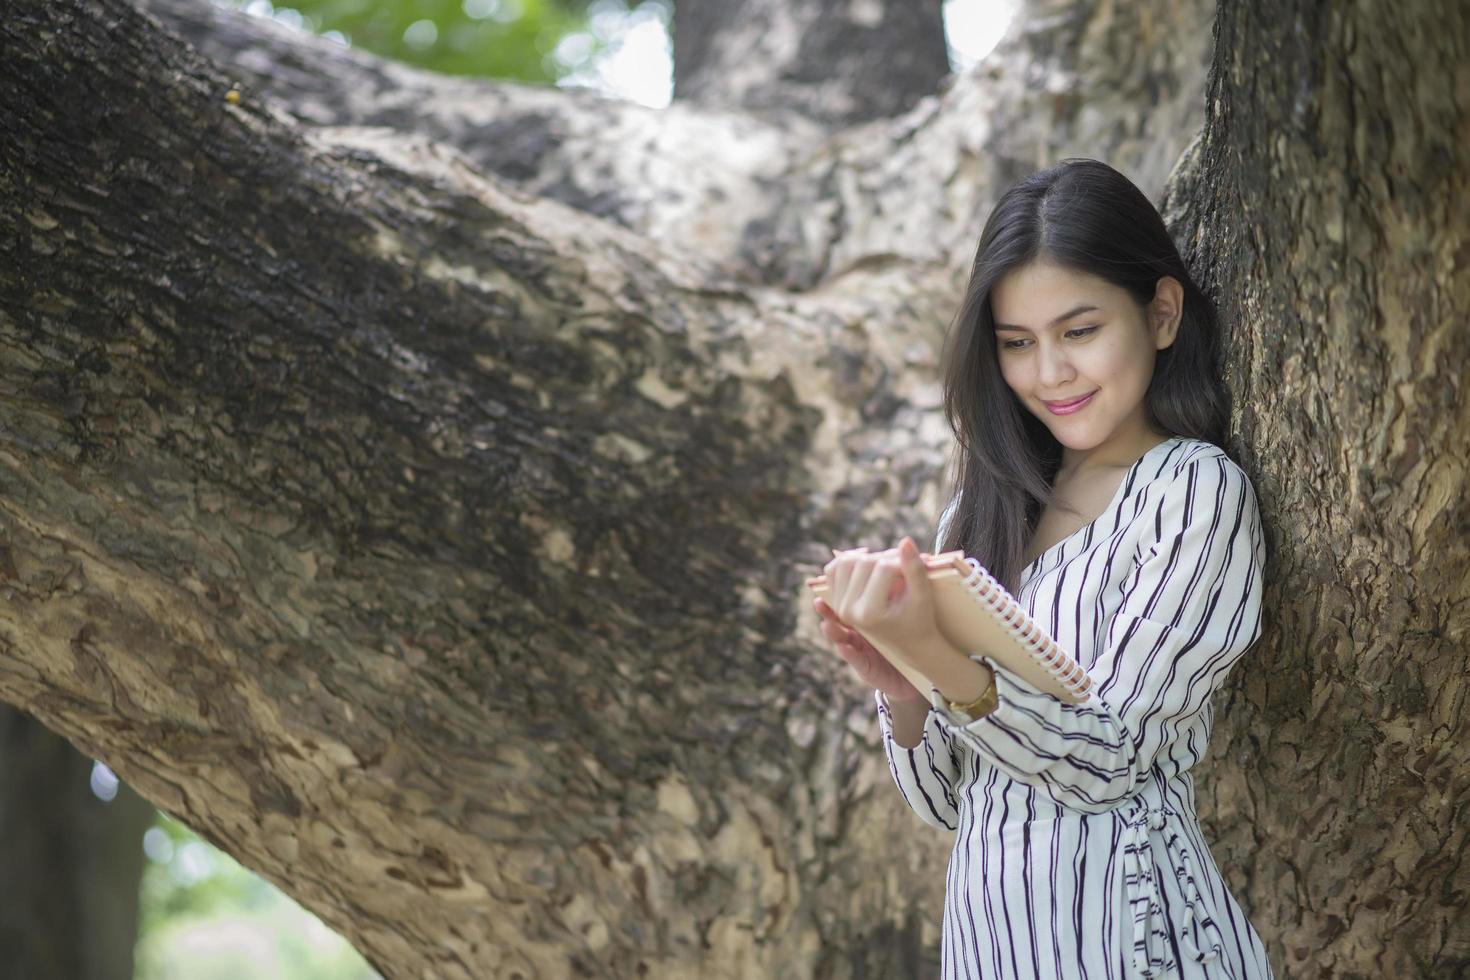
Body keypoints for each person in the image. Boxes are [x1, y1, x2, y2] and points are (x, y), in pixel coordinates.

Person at [812, 158, 1274, 979]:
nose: (1049, 373)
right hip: (992, 945)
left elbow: (1111, 761)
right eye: (1018, 344)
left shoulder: (1191, 492)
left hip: (1135, 939)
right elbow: (952, 801)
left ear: (1161, 314)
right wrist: (903, 680)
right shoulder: (981, 515)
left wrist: (945, 661)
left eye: (1080, 331)